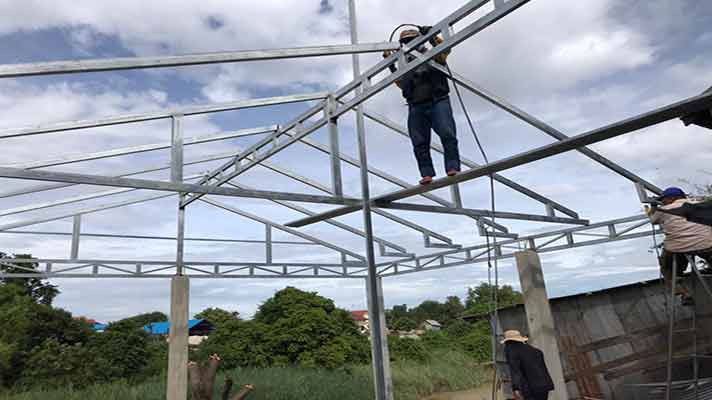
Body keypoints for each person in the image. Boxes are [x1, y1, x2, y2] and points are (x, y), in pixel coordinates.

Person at [383, 27, 461, 185]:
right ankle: (426, 173)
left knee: (447, 134)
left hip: (437, 100)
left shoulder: (433, 54)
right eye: (406, 42)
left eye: (412, 40)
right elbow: (401, 83)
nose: (409, 44)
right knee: (419, 142)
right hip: (416, 105)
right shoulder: (405, 64)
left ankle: (452, 167)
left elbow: (445, 49)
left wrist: (431, 35)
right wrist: (390, 63)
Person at [648, 187, 712, 305]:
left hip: (679, 248)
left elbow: (653, 220)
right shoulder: (700, 204)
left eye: (664, 200)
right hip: (707, 244)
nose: (663, 202)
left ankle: (683, 293)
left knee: (667, 268)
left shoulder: (663, 210)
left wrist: (653, 207)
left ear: (671, 198)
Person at [502, 330, 555, 400]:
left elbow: (515, 371)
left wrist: (516, 388)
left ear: (508, 342)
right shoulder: (536, 351)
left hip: (530, 388)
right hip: (544, 385)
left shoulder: (512, 351)